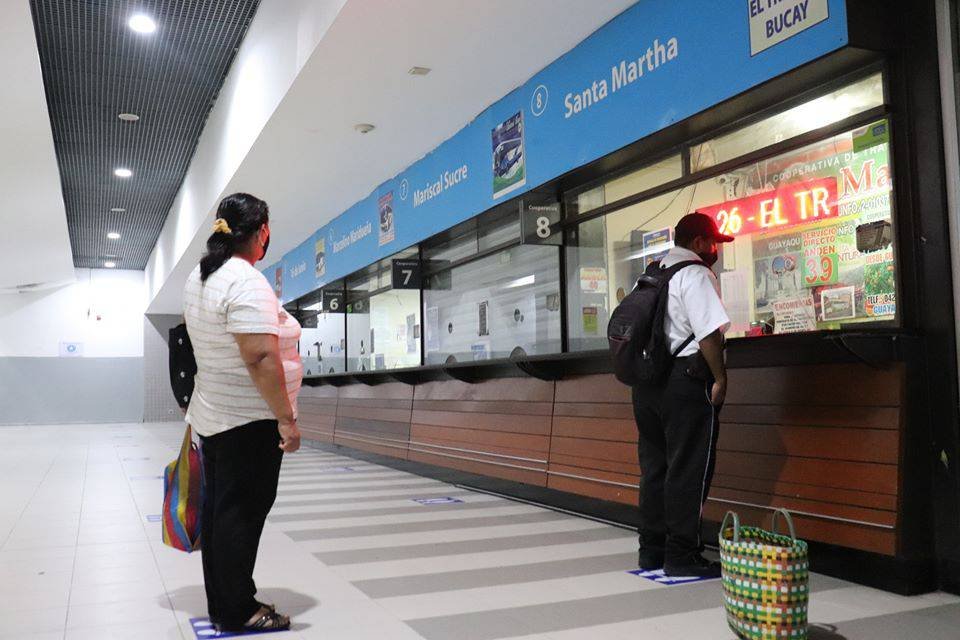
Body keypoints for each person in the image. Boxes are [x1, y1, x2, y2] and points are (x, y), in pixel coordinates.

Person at [183, 192, 302, 632]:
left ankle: (224, 602)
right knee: (242, 513)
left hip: (214, 416)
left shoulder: (200, 276)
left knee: (221, 511)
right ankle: (238, 610)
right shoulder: (245, 281)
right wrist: (287, 420)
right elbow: (260, 358)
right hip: (248, 422)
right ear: (261, 233)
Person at [632, 211, 732, 578]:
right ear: (698, 243)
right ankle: (682, 554)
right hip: (685, 381)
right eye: (714, 242)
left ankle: (651, 551)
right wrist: (720, 377)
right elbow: (709, 333)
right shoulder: (695, 274)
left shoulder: (650, 274)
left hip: (646, 385)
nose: (716, 249)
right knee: (688, 468)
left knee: (654, 469)